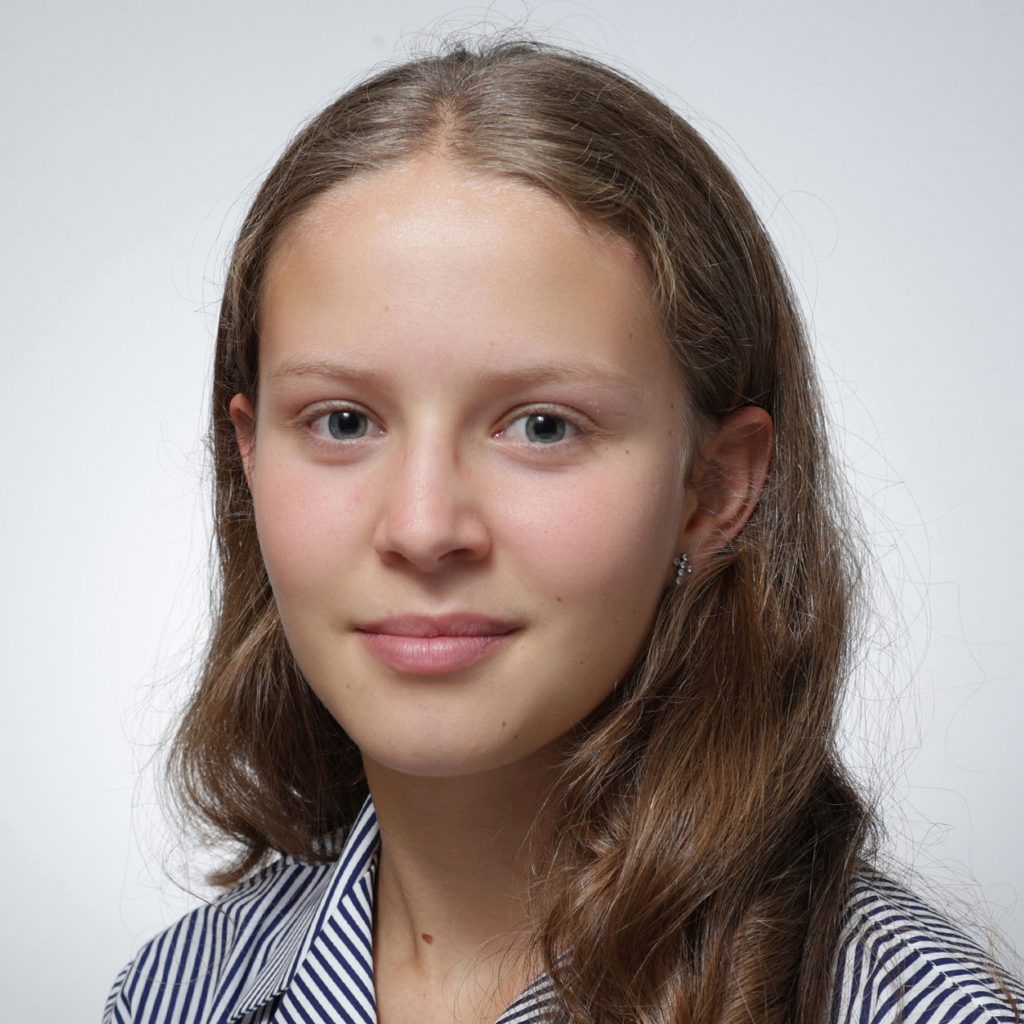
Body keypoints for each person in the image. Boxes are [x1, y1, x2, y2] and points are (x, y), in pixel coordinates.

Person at [103, 39, 1022, 1024]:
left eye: (541, 426)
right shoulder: (173, 995)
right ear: (249, 458)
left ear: (713, 487)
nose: (422, 528)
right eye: (342, 421)